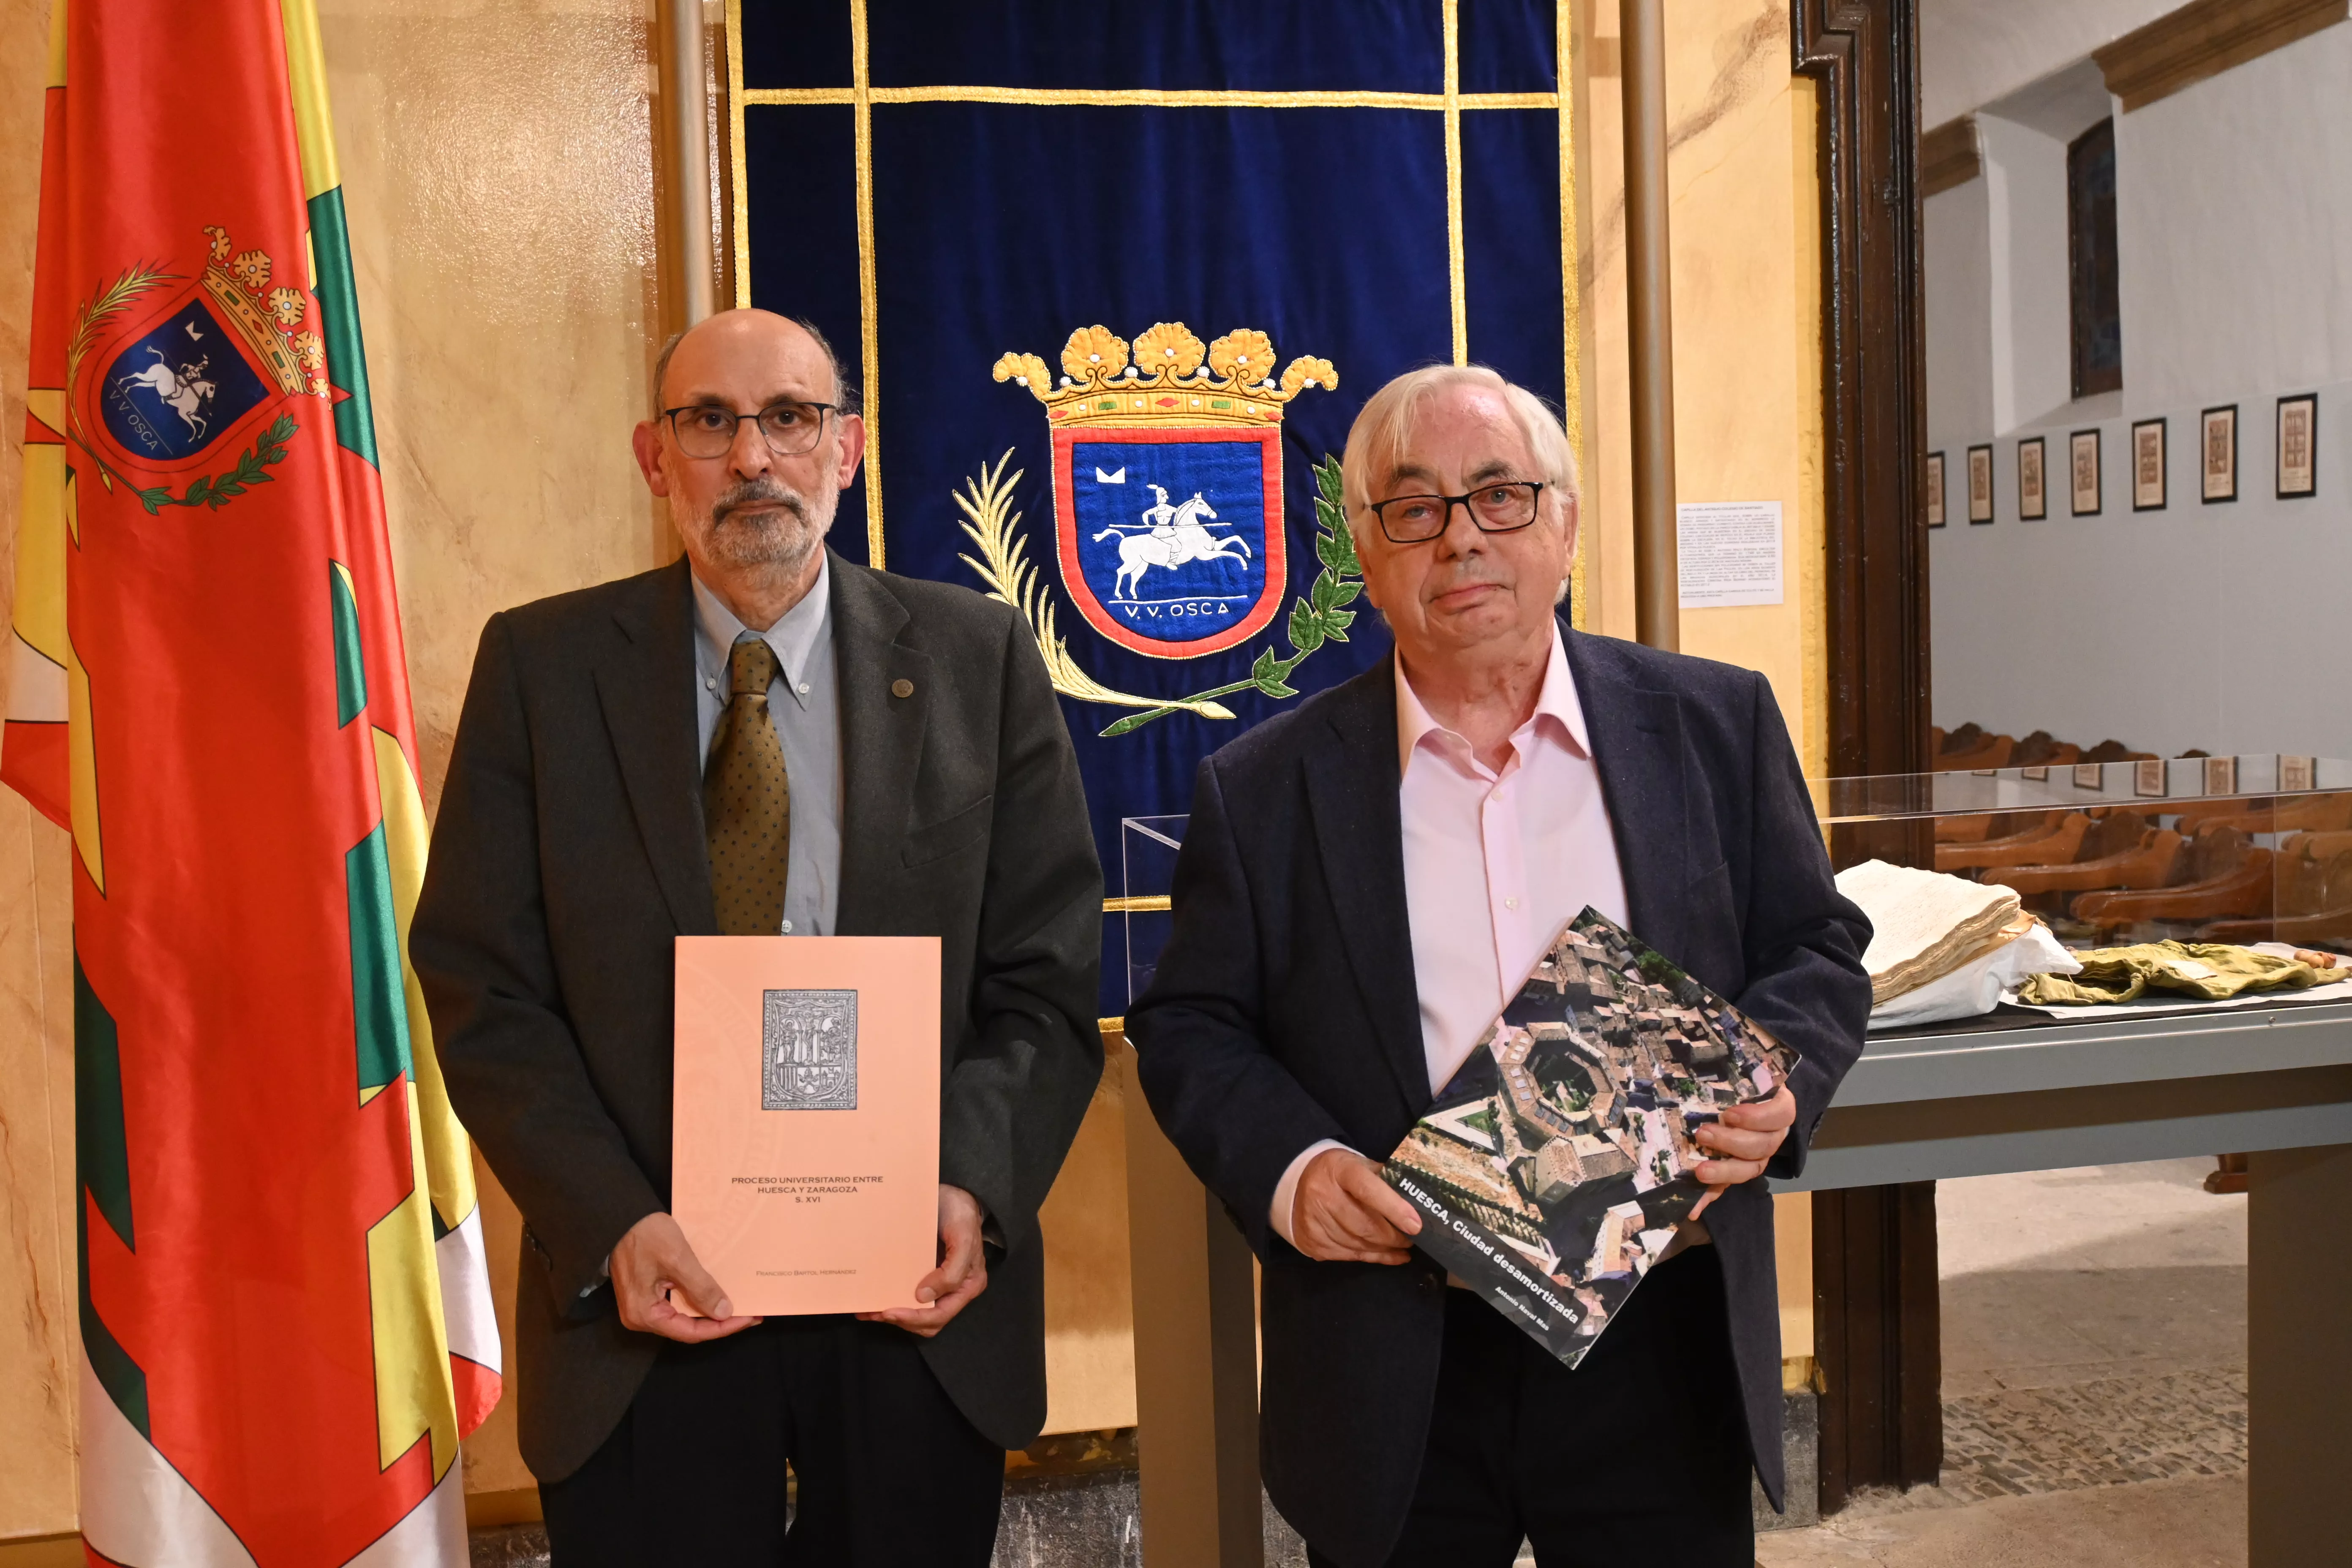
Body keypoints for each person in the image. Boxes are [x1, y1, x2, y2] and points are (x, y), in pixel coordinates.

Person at [1126, 364, 1871, 1568]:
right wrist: (1293, 1167)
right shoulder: (1263, 787)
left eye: (1500, 497)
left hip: (1657, 1327)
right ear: (1367, 557)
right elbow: (1192, 1021)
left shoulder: (1713, 724)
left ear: (1566, 526)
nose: (1461, 538)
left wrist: (1779, 1080)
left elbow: (1818, 948)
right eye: (1413, 508)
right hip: (1397, 1348)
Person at [411, 308, 1104, 1564]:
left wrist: (969, 1189)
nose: (751, 459)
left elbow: (1045, 980)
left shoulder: (978, 657)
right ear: (652, 456)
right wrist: (612, 1220)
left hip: (910, 1315)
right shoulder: (542, 668)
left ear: (848, 450)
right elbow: (483, 987)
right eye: (710, 422)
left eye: (788, 419)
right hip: (648, 1307)